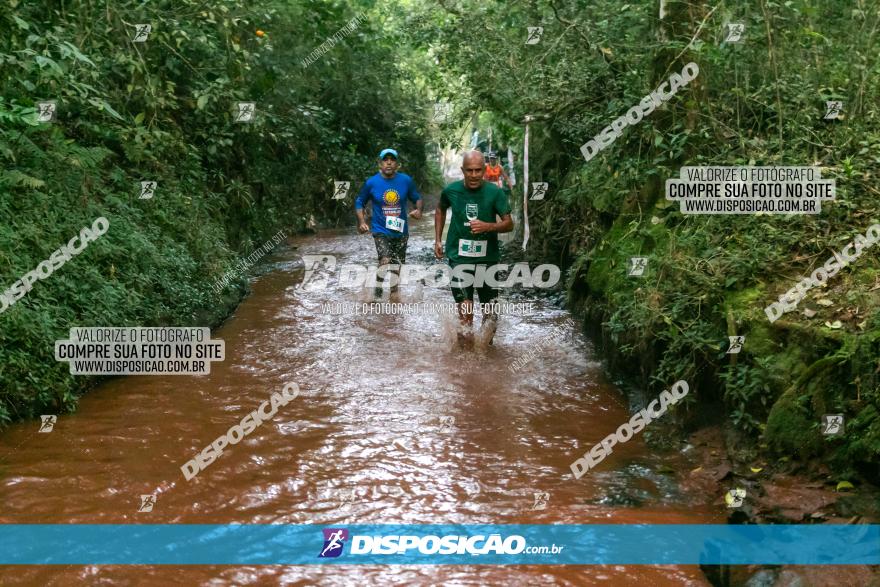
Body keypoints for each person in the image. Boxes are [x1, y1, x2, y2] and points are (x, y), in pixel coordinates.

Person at [434, 151, 514, 347]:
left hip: (488, 259)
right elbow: (440, 208)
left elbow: (509, 224)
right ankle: (465, 364)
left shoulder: (495, 193)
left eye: (478, 170)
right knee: (465, 311)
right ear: (463, 170)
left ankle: (485, 356)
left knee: (490, 314)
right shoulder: (451, 191)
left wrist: (488, 226)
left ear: (485, 170)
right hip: (459, 258)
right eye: (469, 170)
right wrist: (437, 240)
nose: (474, 175)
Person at [355, 148, 422, 297]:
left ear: (397, 163)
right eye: (386, 159)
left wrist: (418, 210)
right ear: (380, 163)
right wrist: (361, 221)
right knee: (385, 260)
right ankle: (378, 291)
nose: (389, 162)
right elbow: (360, 201)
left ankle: (394, 296)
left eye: (392, 159)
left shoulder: (406, 181)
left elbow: (417, 197)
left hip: (400, 231)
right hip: (380, 230)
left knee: (396, 267)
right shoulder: (372, 182)